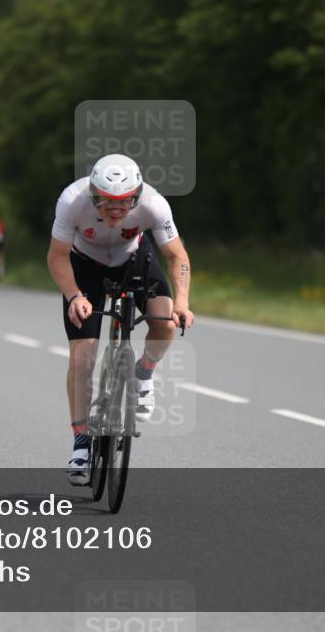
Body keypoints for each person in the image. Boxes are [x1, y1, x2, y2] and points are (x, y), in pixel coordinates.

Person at [47, 154, 194, 485]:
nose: (115, 209)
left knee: (166, 322)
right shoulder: (72, 199)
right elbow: (57, 256)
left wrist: (182, 302)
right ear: (93, 195)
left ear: (137, 195)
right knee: (83, 355)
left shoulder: (154, 204)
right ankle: (81, 442)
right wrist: (74, 296)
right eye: (106, 201)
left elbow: (176, 255)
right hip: (85, 268)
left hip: (134, 261)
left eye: (124, 201)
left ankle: (143, 373)